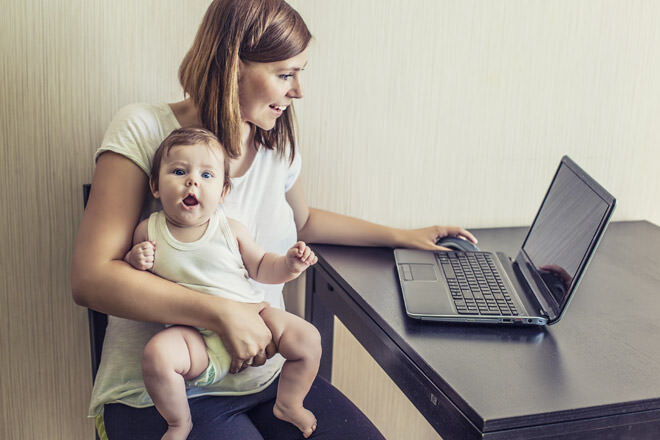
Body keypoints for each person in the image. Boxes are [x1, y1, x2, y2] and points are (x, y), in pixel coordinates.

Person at [71, 0, 477, 438]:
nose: (298, 91)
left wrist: (402, 236)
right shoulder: (145, 130)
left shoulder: (273, 142)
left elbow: (303, 223)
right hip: (163, 392)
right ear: (232, 67)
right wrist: (223, 313)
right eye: (286, 74)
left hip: (268, 379)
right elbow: (90, 279)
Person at [123, 128, 321, 439]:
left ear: (223, 192)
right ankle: (179, 421)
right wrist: (136, 259)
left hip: (253, 318)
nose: (192, 182)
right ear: (155, 186)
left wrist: (289, 264)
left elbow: (262, 267)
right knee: (157, 355)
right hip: (192, 336)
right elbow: (134, 286)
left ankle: (289, 403)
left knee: (308, 338)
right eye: (179, 171)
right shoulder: (149, 231)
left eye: (206, 175)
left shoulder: (230, 229)